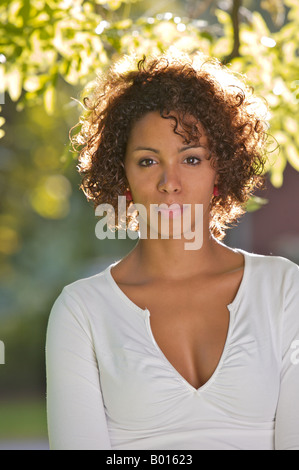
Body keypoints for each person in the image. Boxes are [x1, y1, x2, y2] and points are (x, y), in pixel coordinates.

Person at [46, 50, 299, 450]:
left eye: (192, 158)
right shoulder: (81, 312)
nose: (170, 182)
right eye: (148, 161)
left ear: (221, 171)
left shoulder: (285, 290)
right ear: (123, 177)